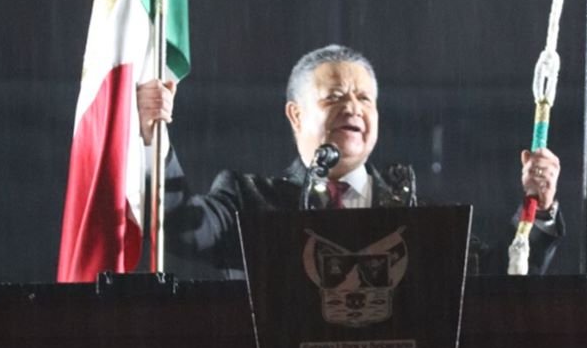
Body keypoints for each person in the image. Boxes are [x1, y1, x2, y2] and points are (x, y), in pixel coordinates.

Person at [137, 44, 564, 277]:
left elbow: (497, 275)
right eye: (336, 97)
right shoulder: (250, 201)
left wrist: (538, 209)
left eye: (364, 98)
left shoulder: (410, 209)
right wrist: (153, 135)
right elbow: (181, 227)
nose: (353, 108)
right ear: (296, 114)